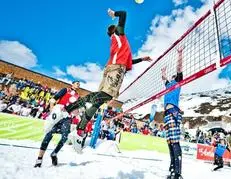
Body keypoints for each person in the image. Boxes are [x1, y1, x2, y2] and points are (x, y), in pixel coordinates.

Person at [61, 9, 152, 153]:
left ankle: (74, 121)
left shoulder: (121, 46)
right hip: (116, 69)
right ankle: (74, 120)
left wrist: (142, 59)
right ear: (115, 30)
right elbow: (123, 14)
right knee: (106, 96)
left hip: (111, 68)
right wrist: (114, 14)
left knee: (97, 99)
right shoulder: (119, 35)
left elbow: (129, 61)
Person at [34, 81, 80, 167]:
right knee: (48, 136)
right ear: (72, 84)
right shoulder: (65, 90)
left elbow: (76, 110)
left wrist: (77, 112)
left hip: (66, 118)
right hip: (57, 115)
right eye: (77, 83)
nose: (78, 85)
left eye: (79, 84)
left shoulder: (78, 96)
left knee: (65, 137)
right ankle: (39, 159)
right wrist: (52, 109)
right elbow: (53, 99)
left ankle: (54, 153)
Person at [161, 45, 184, 179]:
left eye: (174, 74)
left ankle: (178, 173)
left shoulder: (178, 82)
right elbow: (164, 78)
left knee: (175, 142)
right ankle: (172, 170)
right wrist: (163, 72)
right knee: (170, 142)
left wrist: (180, 54)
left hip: (174, 113)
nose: (173, 75)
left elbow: (179, 68)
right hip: (167, 115)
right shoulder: (169, 85)